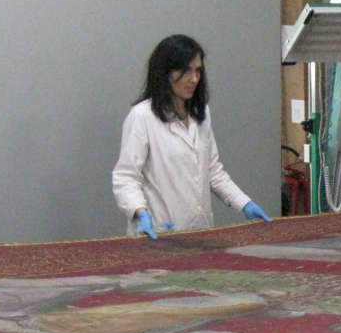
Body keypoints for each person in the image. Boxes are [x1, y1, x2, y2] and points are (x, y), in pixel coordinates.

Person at [112, 34, 271, 239]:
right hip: (159, 231)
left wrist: (244, 203)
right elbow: (125, 177)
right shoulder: (142, 117)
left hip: (200, 231)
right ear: (165, 73)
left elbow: (212, 171)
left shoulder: (201, 114)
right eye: (185, 71)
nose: (194, 78)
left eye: (197, 70)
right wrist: (139, 212)